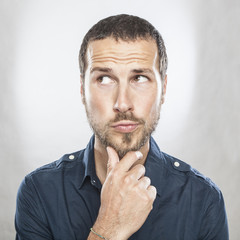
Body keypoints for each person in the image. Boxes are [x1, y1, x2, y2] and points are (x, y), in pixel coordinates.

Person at [15, 14, 229, 240]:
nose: (123, 103)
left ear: (163, 89)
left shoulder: (204, 199)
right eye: (105, 79)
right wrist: (109, 227)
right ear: (82, 90)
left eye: (139, 78)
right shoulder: (39, 192)